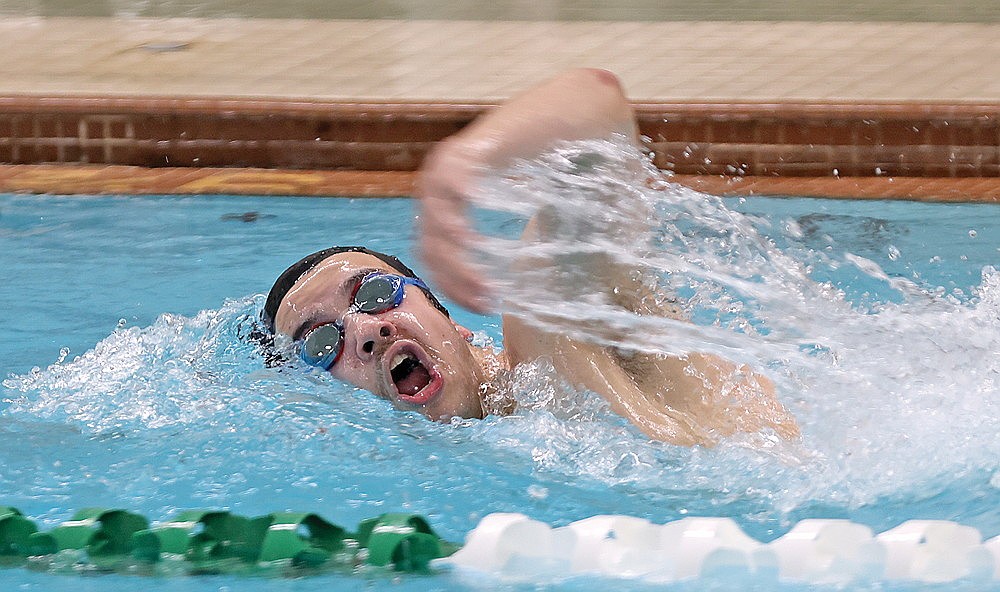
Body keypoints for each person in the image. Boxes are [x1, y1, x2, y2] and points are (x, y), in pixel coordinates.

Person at [262, 69, 799, 446]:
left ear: (453, 323)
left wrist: (457, 162)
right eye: (321, 342)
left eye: (375, 293)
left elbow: (600, 106)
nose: (364, 330)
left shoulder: (549, 330)